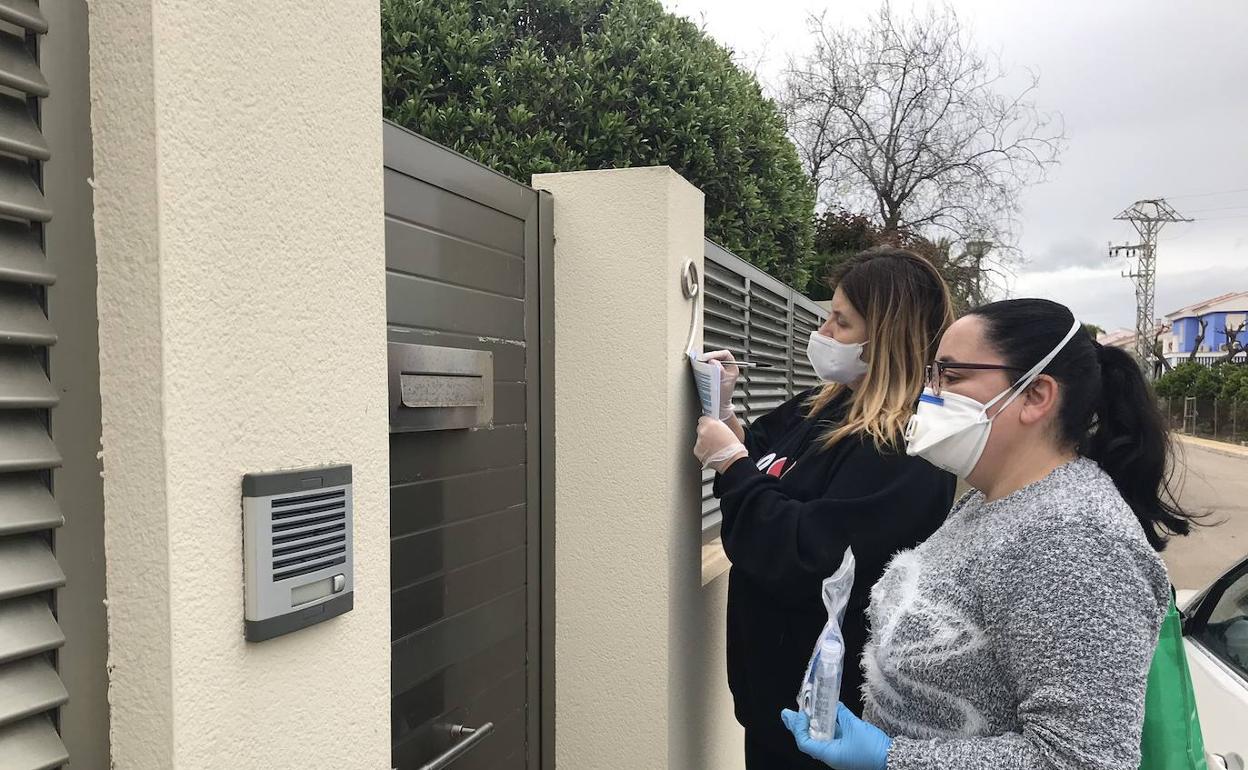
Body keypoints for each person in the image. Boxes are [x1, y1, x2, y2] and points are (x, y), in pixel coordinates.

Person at [781, 298, 1201, 770]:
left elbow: (1082, 759)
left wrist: (891, 757)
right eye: (933, 375)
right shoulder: (991, 502)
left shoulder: (1075, 542)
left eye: (952, 377)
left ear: (1036, 395)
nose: (929, 393)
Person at [692, 247, 958, 770]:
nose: (824, 331)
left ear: (885, 337)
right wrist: (724, 415)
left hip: (828, 716)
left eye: (841, 321)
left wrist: (732, 467)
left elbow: (812, 555)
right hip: (770, 696)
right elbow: (766, 460)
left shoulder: (905, 448)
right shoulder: (827, 404)